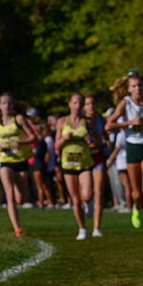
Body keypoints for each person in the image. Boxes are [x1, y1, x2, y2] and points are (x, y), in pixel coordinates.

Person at [106, 70, 143, 239]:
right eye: (134, 86)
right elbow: (109, 125)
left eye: (140, 85)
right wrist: (130, 122)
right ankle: (136, 207)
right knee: (136, 192)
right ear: (129, 89)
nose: (137, 89)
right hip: (133, 148)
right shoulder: (125, 103)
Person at [0, 92, 36, 237]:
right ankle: (17, 229)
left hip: (21, 160)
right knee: (9, 195)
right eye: (4, 103)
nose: (7, 106)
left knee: (20, 198)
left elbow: (33, 137)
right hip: (5, 161)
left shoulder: (19, 119)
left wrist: (21, 142)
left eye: (9, 103)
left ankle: (17, 214)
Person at [55, 93, 96, 240]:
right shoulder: (61, 122)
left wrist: (90, 140)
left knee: (86, 195)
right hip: (68, 163)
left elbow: (97, 141)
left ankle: (89, 202)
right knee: (75, 199)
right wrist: (64, 139)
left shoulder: (88, 122)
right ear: (70, 104)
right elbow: (56, 145)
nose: (78, 106)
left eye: (81, 103)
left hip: (84, 163)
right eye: (75, 103)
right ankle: (82, 228)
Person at [84, 95, 109, 236]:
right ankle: (87, 202)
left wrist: (106, 140)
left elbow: (105, 137)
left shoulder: (100, 120)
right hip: (84, 158)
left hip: (98, 157)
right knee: (86, 195)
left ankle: (97, 228)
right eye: (87, 104)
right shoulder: (80, 121)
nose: (91, 106)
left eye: (93, 103)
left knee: (99, 192)